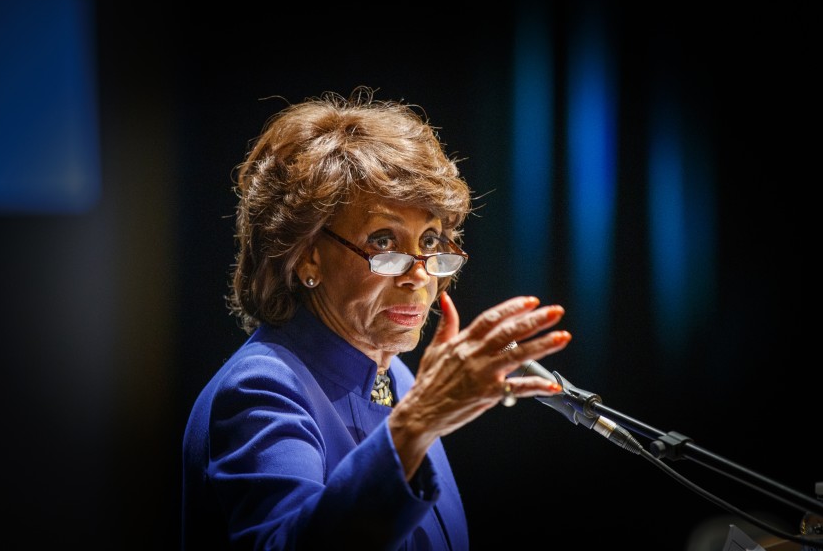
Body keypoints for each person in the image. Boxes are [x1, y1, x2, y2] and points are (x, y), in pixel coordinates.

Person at [181, 86, 572, 550]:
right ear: (307, 257)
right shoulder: (262, 387)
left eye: (429, 242)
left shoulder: (399, 380)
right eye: (384, 242)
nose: (418, 277)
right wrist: (419, 422)